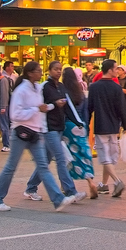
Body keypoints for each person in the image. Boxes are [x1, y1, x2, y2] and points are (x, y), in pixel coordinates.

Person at [0, 61, 75, 213]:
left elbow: (42, 108)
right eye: (38, 71)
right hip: (21, 133)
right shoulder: (21, 90)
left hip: (35, 134)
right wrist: (35, 109)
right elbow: (15, 114)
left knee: (43, 167)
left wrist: (53, 105)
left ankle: (58, 199)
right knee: (10, 167)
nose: (41, 73)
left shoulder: (37, 89)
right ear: (30, 73)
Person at [24, 60, 83, 204]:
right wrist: (53, 105)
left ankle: (31, 188)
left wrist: (78, 122)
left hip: (59, 127)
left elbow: (68, 106)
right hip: (48, 128)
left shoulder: (61, 87)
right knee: (61, 159)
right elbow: (39, 106)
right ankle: (71, 191)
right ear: (49, 70)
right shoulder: (44, 87)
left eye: (60, 69)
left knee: (45, 160)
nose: (58, 71)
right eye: (56, 69)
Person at [89, 59, 126, 198]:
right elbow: (122, 109)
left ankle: (115, 182)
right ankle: (104, 184)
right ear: (109, 70)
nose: (117, 71)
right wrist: (124, 124)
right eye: (115, 68)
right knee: (110, 157)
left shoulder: (94, 87)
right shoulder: (116, 88)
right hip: (113, 126)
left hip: (101, 126)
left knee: (105, 157)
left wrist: (86, 124)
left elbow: (90, 108)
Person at [61, 66, 98, 198]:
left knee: (67, 157)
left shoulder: (62, 92)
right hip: (80, 126)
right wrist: (86, 129)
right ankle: (90, 182)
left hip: (67, 128)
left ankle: (65, 186)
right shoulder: (80, 92)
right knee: (83, 156)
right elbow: (85, 113)